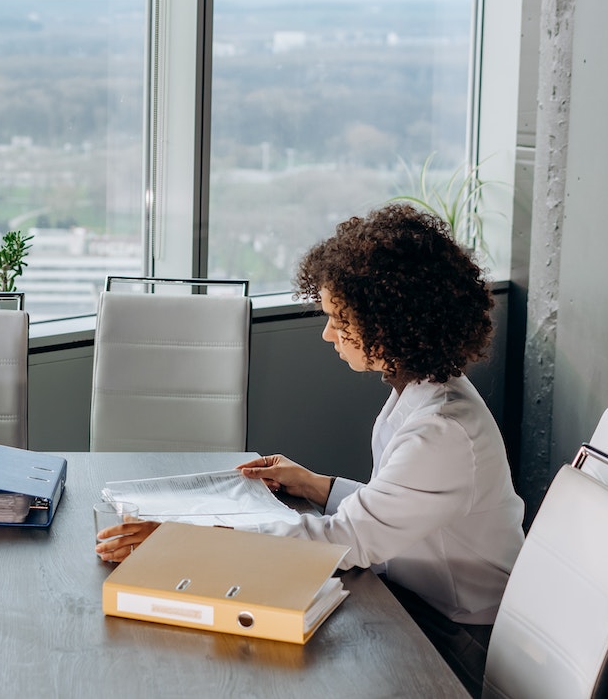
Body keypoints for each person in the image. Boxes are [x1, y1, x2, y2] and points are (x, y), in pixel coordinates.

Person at [95, 203, 524, 697]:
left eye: (341, 320)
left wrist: (178, 541)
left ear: (393, 323)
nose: (328, 334)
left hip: (456, 637)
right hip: (417, 599)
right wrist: (318, 486)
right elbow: (396, 507)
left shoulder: (443, 431)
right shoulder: (424, 390)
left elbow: (340, 543)